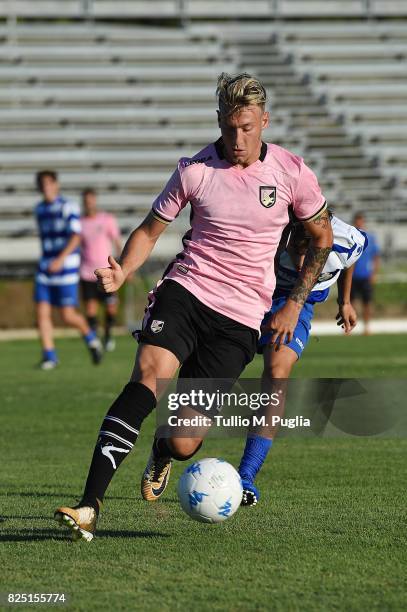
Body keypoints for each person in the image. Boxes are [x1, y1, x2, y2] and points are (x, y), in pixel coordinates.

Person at [54, 72, 333, 541]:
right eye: (229, 128)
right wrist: (123, 269)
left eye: (247, 128)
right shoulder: (195, 170)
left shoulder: (291, 173)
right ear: (219, 122)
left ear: (264, 121)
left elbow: (322, 237)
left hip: (241, 320)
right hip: (187, 291)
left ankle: (163, 451)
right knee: (147, 377)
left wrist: (295, 303)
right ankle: (89, 505)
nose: (237, 139)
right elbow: (149, 230)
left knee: (185, 441)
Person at [236, 211, 367, 506]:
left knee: (277, 374)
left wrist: (344, 302)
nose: (298, 263)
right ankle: (170, 446)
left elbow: (353, 257)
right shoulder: (269, 230)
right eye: (295, 250)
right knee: (219, 371)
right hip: (248, 296)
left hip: (299, 306)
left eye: (307, 255)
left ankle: (246, 475)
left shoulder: (347, 239)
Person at [34, 170, 103, 369]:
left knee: (67, 315)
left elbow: (76, 236)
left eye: (48, 183)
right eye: (42, 184)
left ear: (56, 185)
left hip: (65, 268)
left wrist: (60, 260)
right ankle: (49, 356)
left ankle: (91, 339)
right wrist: (49, 261)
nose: (45, 188)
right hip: (45, 268)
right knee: (42, 313)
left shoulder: (68, 206)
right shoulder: (39, 209)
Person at [80, 188, 122, 351]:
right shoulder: (80, 222)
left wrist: (125, 267)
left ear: (95, 201)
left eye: (91, 199)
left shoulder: (107, 219)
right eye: (86, 200)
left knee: (110, 307)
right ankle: (94, 338)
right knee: (91, 309)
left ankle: (109, 336)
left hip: (107, 272)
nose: (89, 203)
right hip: (86, 272)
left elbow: (117, 243)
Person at [350, 212, 380, 335]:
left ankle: (366, 327)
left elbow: (376, 257)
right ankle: (349, 327)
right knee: (351, 302)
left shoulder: (370, 238)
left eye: (361, 221)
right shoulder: (350, 237)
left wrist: (374, 273)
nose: (359, 223)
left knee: (366, 302)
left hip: (365, 275)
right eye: (357, 221)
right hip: (351, 276)